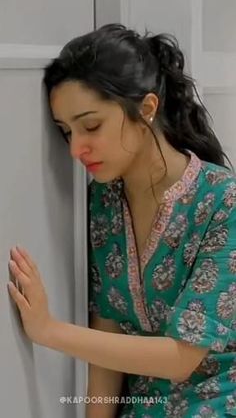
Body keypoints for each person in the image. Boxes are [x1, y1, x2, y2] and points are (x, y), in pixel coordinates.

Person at [8, 23, 236, 417]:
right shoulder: (103, 201)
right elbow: (107, 332)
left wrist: (48, 330)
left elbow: (181, 357)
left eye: (91, 125)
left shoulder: (223, 201)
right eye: (66, 132)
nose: (77, 148)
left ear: (146, 109)